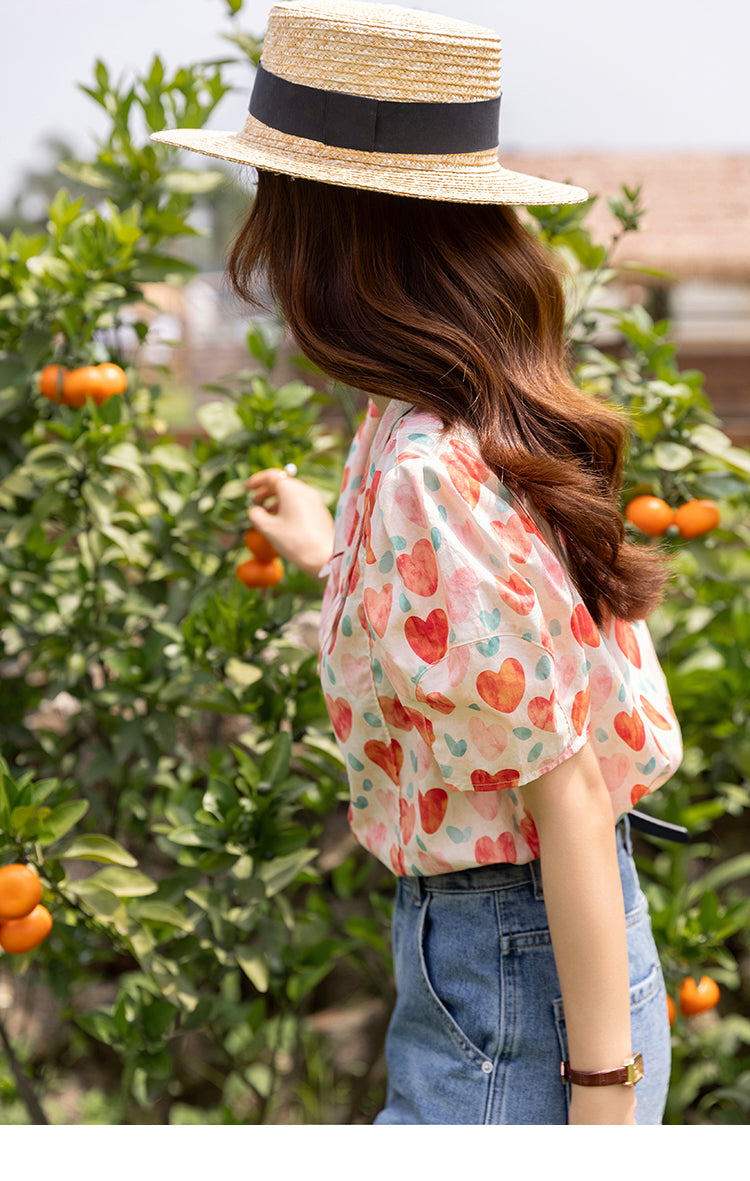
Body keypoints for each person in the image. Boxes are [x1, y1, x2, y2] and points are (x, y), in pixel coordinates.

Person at [153, 0, 683, 1125]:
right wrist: (335, 556)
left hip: (516, 972)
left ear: (332, 235)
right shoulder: (472, 412)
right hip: (559, 945)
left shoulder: (423, 476)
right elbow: (496, 653)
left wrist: (599, 1112)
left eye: (275, 202)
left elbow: (569, 797)